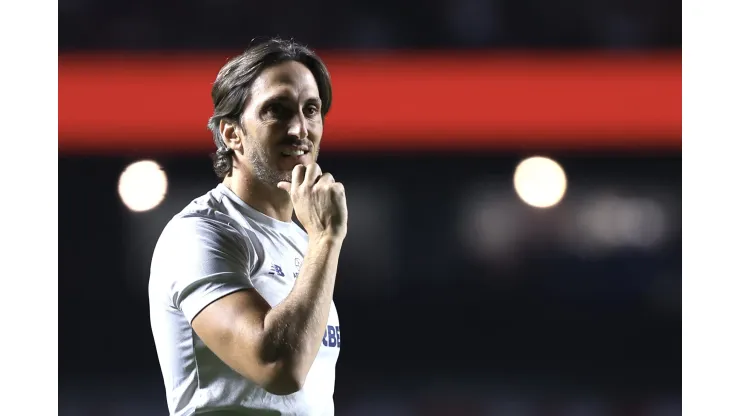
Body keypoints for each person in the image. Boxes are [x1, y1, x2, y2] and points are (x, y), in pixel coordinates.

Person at [148, 38, 347, 416]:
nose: (299, 129)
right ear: (231, 134)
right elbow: (277, 369)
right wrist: (326, 238)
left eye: (311, 109)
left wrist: (319, 239)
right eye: (277, 110)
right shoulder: (198, 234)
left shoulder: (302, 243)